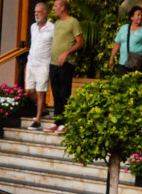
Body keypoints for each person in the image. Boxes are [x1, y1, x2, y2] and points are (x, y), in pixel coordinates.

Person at [46, 0, 84, 134]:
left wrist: (67, 52)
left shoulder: (73, 22)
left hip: (67, 63)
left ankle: (65, 123)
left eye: (56, 6)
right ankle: (57, 122)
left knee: (64, 93)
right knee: (56, 93)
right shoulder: (56, 23)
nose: (53, 8)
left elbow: (80, 43)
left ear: (63, 8)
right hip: (53, 63)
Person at [26, 3, 54, 129]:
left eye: (39, 11)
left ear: (46, 12)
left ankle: (38, 120)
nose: (36, 14)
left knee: (40, 92)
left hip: (43, 64)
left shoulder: (52, 28)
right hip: (31, 63)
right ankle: (43, 109)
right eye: (35, 12)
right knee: (29, 91)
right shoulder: (33, 27)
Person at [110, 7, 142, 75]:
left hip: (137, 64)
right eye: (138, 15)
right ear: (132, 17)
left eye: (141, 15)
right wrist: (111, 58)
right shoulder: (124, 28)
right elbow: (117, 44)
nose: (140, 17)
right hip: (123, 63)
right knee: (121, 83)